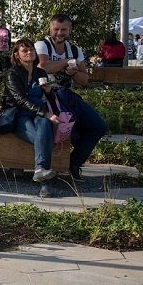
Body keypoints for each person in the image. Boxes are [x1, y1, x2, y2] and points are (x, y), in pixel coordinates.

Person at [35, 13, 107, 181]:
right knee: (70, 129)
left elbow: (84, 79)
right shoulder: (42, 45)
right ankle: (60, 165)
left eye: (64, 30)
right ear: (50, 29)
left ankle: (74, 163)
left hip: (67, 95)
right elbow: (43, 67)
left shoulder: (75, 49)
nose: (59, 33)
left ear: (70, 30)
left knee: (98, 126)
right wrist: (68, 61)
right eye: (56, 29)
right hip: (47, 95)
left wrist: (74, 72)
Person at [2, 39, 60, 197]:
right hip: (19, 115)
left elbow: (50, 97)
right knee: (44, 138)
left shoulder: (40, 73)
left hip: (38, 114)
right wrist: (46, 113)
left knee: (45, 125)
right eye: (24, 51)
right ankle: (45, 185)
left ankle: (40, 172)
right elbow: (20, 100)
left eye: (31, 50)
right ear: (17, 55)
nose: (29, 53)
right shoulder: (12, 73)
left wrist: (48, 90)